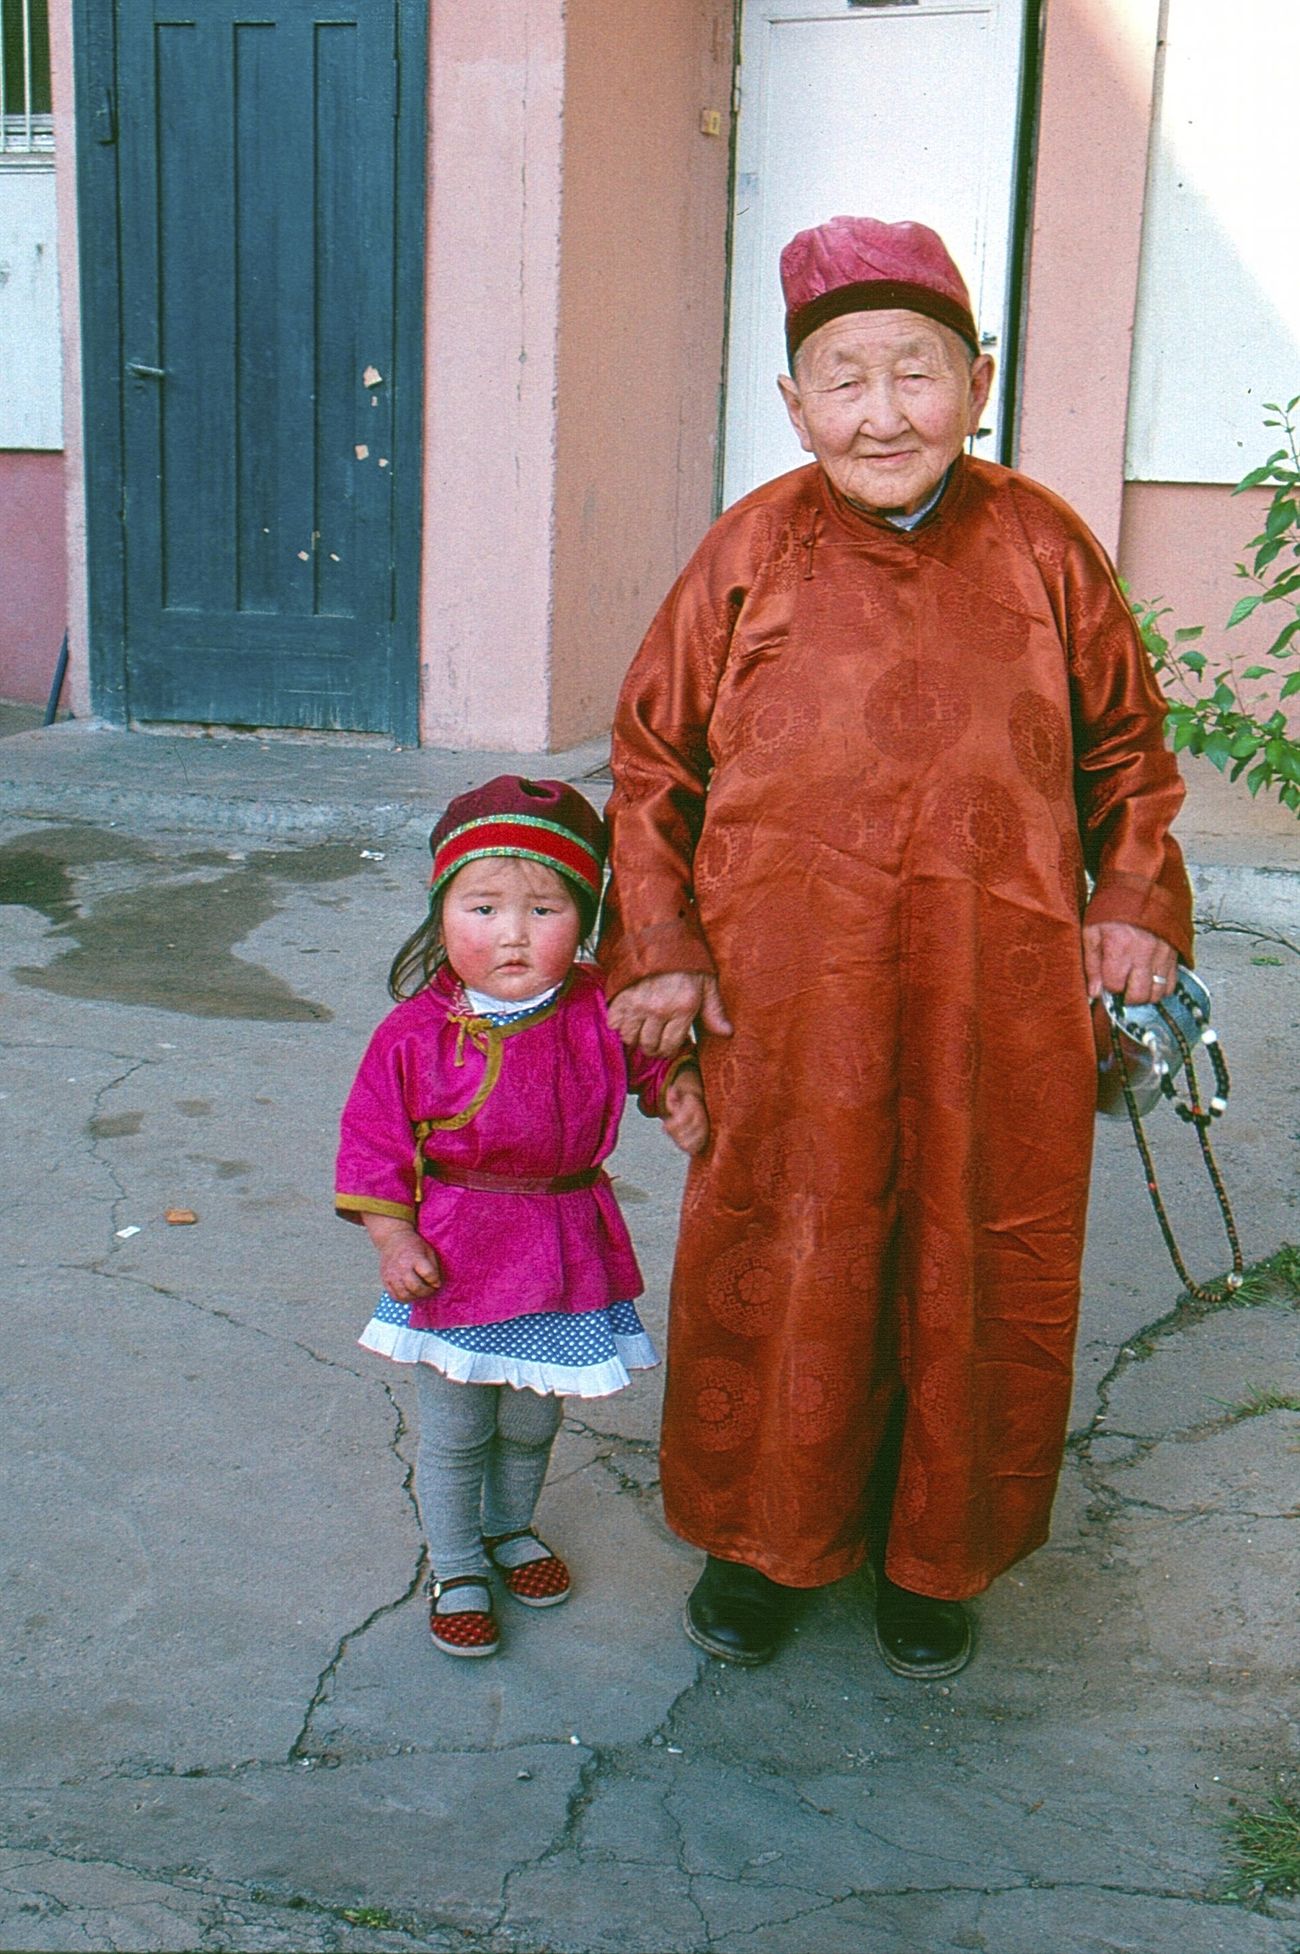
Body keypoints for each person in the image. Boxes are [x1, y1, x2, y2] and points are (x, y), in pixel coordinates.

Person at [600, 215, 1191, 1677]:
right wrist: (660, 946)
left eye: (915, 373)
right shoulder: (750, 544)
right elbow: (650, 759)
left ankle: (941, 1551)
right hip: (786, 992)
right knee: (788, 1244)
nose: (882, 412)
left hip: (1002, 990)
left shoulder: (1045, 540)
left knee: (977, 1256)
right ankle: (766, 1542)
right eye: (842, 380)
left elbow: (1130, 750)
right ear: (794, 406)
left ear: (977, 382)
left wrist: (1132, 903)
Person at [336, 775, 707, 1658]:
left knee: (536, 1416)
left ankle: (510, 1529)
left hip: (567, 1244)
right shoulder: (412, 1033)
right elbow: (371, 1144)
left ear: (584, 919)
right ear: (440, 915)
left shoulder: (594, 1006)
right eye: (483, 906)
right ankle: (457, 1561)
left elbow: (653, 1062)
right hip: (459, 1252)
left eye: (544, 908)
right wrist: (394, 1236)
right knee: (461, 1423)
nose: (512, 933)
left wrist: (680, 1085)